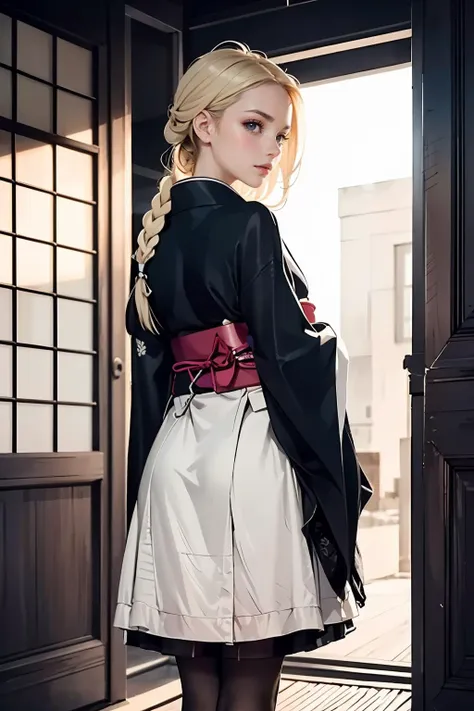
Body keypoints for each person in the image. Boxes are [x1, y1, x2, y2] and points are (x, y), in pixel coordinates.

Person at [114, 41, 372, 711]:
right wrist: (320, 331)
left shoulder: (156, 230)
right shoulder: (251, 221)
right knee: (252, 679)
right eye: (253, 125)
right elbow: (291, 355)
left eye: (279, 134)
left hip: (177, 457)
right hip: (248, 457)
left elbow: (151, 354)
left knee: (199, 681)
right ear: (205, 124)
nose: (270, 149)